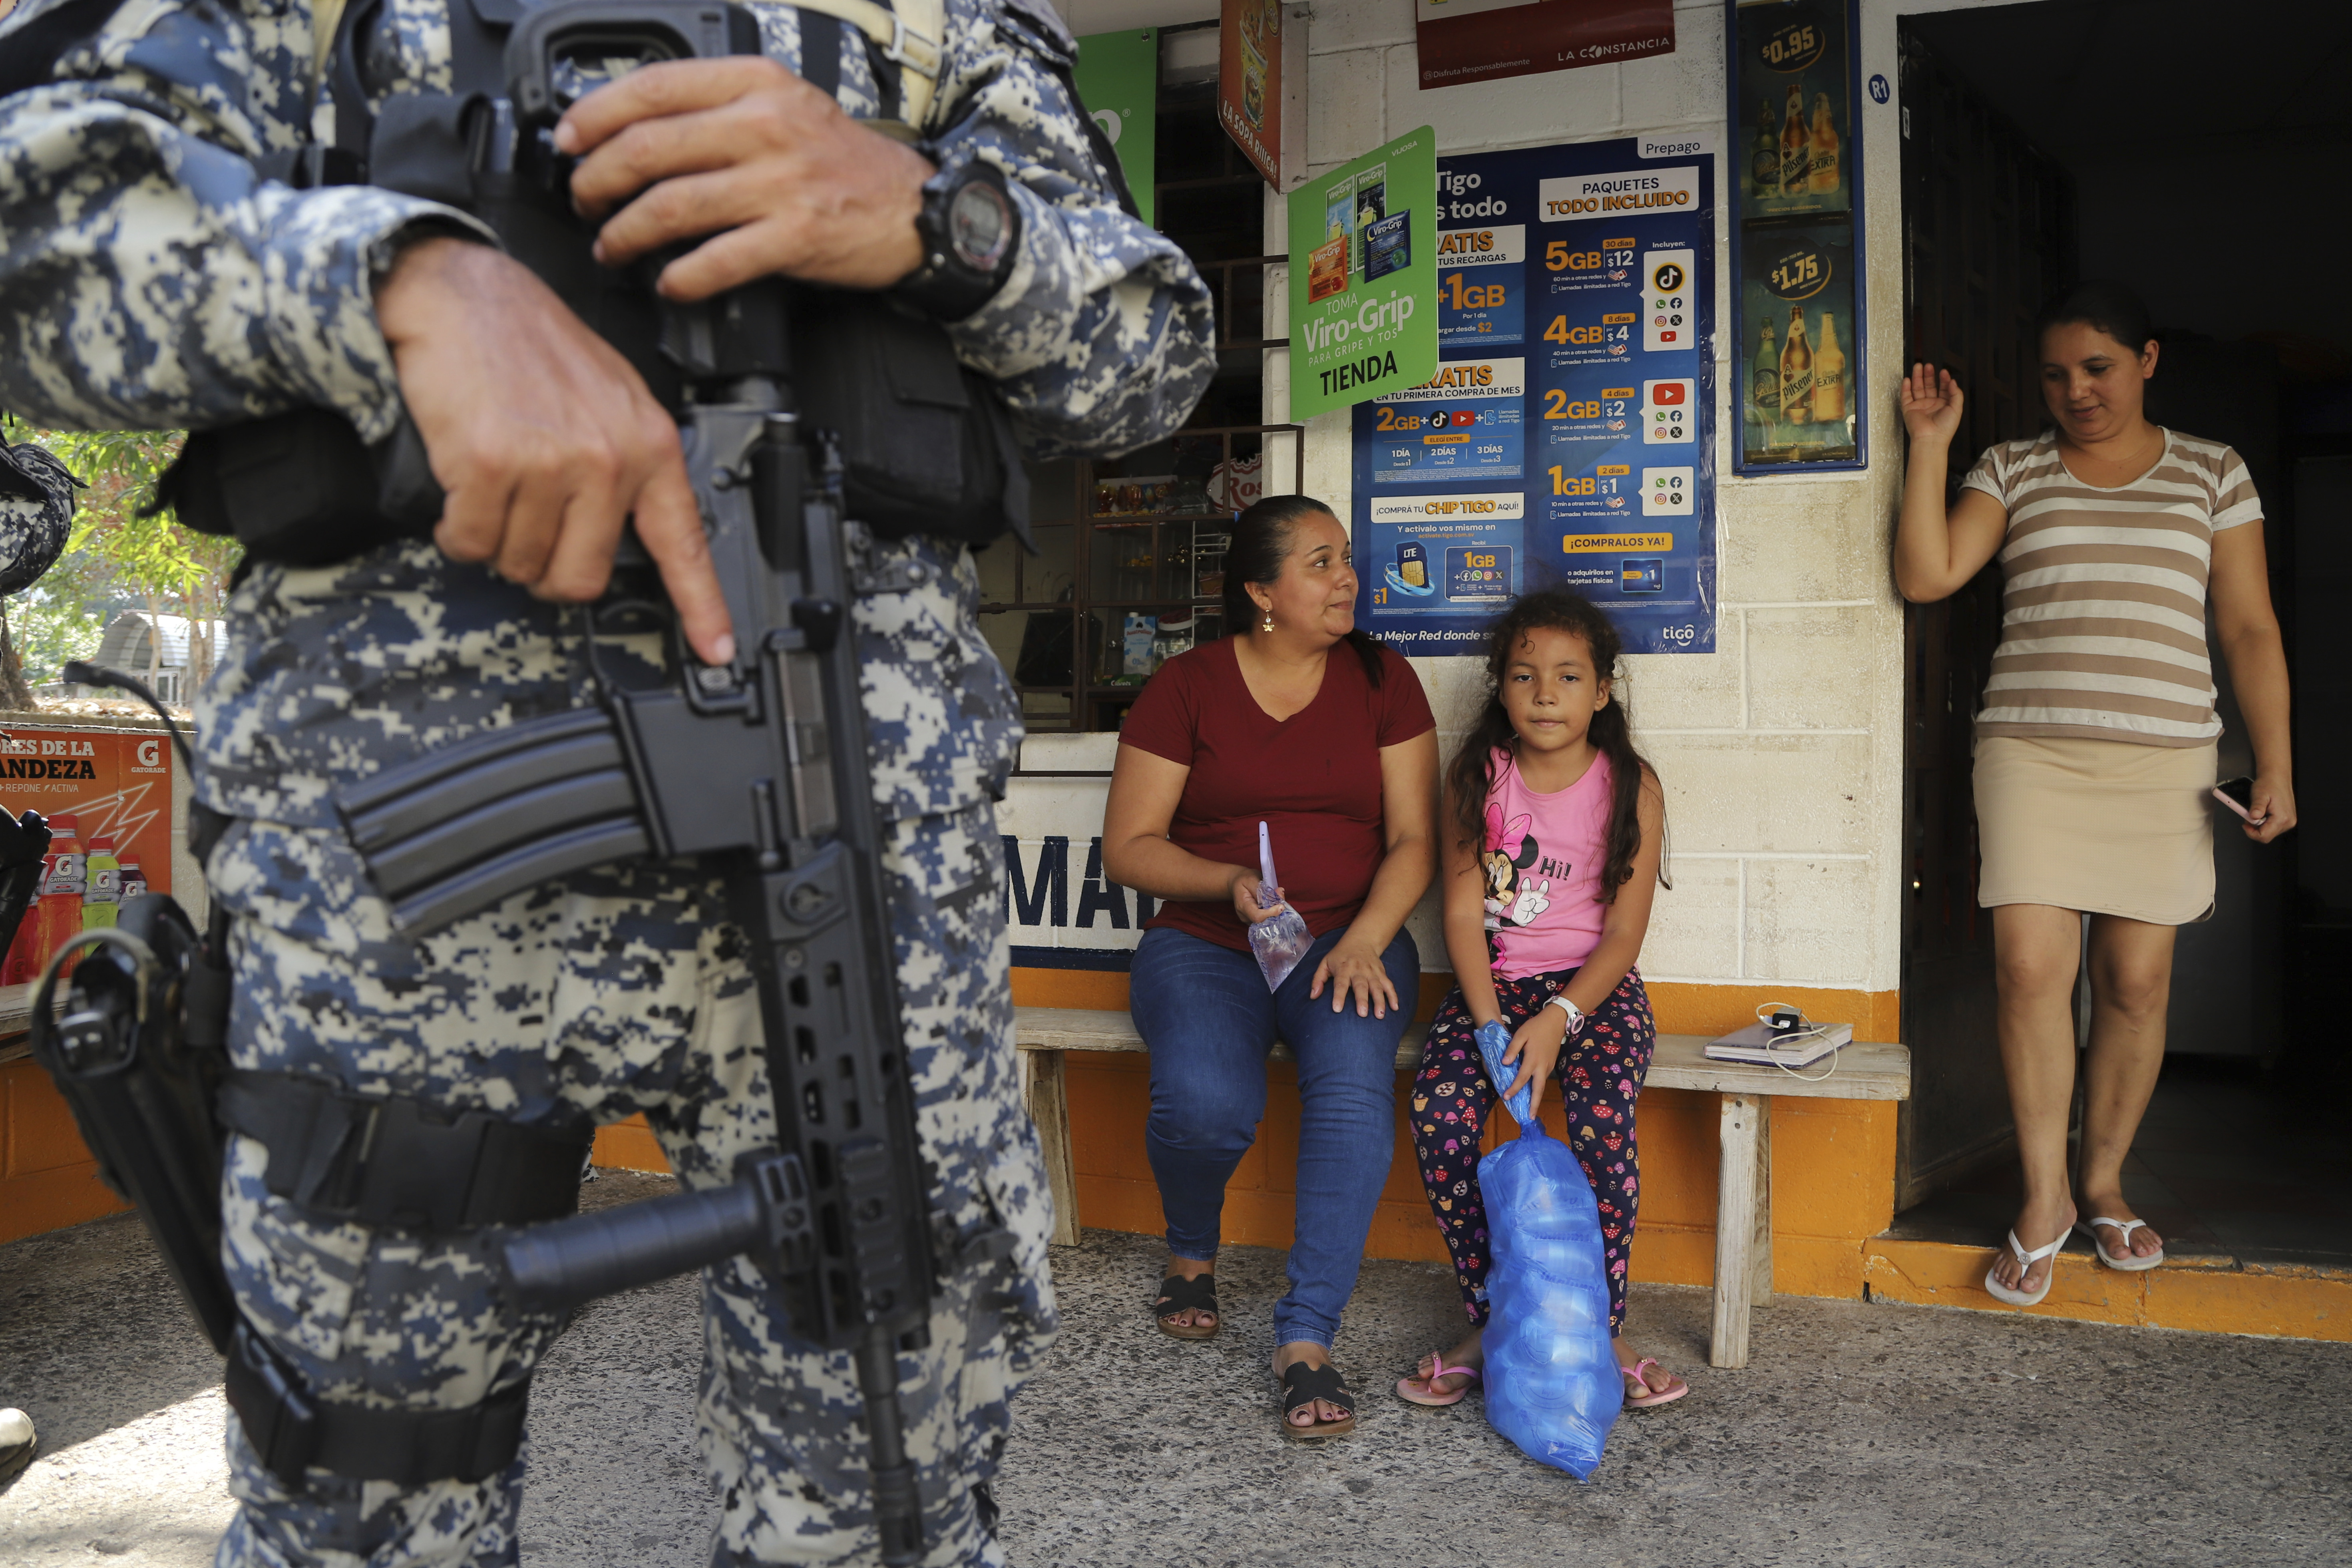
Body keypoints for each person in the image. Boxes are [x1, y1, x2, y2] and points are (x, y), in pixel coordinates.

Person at [0, 1, 1215, 1562]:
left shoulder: (924, 18)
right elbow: (35, 202)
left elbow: (1151, 359)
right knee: (363, 1514)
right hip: (399, 889)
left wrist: (929, 221)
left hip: (856, 869)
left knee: (885, 1519)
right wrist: (391, 283)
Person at [1894, 280, 2296, 1308]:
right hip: (2032, 752)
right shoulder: (2013, 466)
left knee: (2134, 984)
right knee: (2030, 968)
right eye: (2057, 374)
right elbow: (1928, 573)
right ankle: (2044, 1201)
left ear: (2148, 360)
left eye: (2100, 368)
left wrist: (2279, 761)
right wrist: (1933, 443)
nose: (2077, 391)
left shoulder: (2214, 471)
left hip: (2164, 758)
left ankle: (2104, 1179)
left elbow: (2248, 627)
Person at [1100, 495, 1436, 1440]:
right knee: (1205, 1106)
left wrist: (1370, 934)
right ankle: (1193, 1251)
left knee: (1352, 1093)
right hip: (1208, 943)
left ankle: (1306, 1336)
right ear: (1262, 591)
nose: (1347, 580)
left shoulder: (1383, 680)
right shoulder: (1187, 687)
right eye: (1321, 564)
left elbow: (1414, 838)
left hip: (1347, 941)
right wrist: (1227, 879)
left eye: (1346, 561)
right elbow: (1128, 847)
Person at [1394, 589, 1684, 1413]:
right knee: (1441, 1114)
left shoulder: (1633, 786)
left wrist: (1560, 1021)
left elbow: (1623, 937)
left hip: (1594, 993)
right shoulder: (1477, 778)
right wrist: (1489, 1024)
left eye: (1567, 677)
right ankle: (1495, 1319)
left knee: (1599, 1123)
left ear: (1602, 690)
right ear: (1501, 689)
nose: (1545, 693)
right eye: (1524, 677)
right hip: (1493, 988)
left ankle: (1600, 1325)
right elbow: (1457, 912)